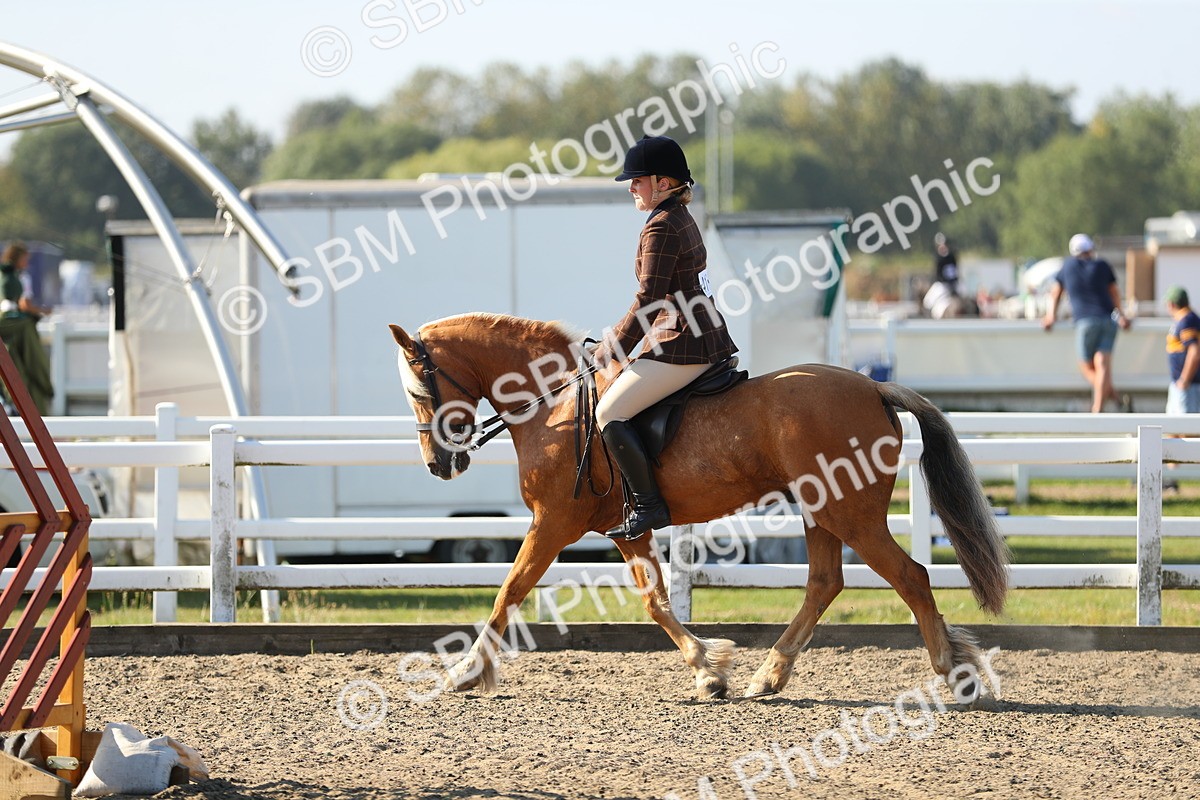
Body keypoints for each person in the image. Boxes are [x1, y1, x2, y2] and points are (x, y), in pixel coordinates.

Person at [592, 135, 738, 540]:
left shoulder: (661, 227)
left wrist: (613, 349)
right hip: (696, 334)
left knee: (608, 413)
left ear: (664, 182)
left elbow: (649, 299)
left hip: (685, 343)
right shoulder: (676, 217)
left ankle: (650, 505)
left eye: (637, 180)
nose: (631, 187)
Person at [1042, 233, 1130, 413]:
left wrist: (1050, 316)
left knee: (1085, 365)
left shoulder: (1068, 266)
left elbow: (1055, 293)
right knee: (1102, 363)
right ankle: (1105, 403)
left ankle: (1107, 400)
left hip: (1085, 321)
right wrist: (1121, 315)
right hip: (1108, 320)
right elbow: (1114, 292)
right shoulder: (1102, 265)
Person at [0, 242, 54, 414]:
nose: (27, 263)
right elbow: (24, 304)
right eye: (25, 259)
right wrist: (43, 311)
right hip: (18, 329)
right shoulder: (20, 278)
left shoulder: (6, 275)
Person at [1164, 285, 1200, 414]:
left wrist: (1185, 379)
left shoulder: (1187, 320)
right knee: (1172, 430)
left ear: (1171, 304)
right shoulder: (1183, 319)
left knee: (1187, 431)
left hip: (1189, 385)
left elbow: (1194, 351)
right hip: (1179, 384)